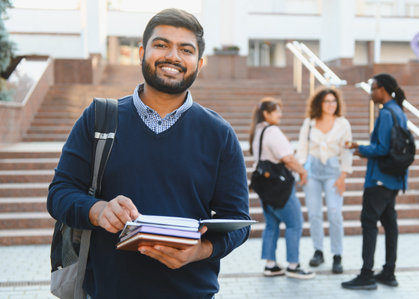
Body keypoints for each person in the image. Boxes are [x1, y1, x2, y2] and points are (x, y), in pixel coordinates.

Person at [47, 8, 250, 299]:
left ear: (199, 63)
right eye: (161, 45)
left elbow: (237, 220)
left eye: (186, 49)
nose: (173, 57)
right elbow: (59, 194)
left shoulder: (219, 133)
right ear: (142, 52)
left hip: (191, 292)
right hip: (107, 292)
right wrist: (99, 210)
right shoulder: (99, 118)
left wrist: (199, 251)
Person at [341, 73, 408, 290]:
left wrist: (358, 148)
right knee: (390, 223)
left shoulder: (387, 113)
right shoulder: (398, 111)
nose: (371, 93)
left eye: (373, 88)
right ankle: (389, 272)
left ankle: (367, 274)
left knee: (369, 223)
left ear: (383, 90)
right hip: (393, 179)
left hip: (379, 178)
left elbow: (381, 148)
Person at [249, 97, 315, 280]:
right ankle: (293, 265)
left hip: (265, 187)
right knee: (295, 223)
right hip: (280, 188)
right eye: (276, 111)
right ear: (266, 113)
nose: (280, 114)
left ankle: (270, 265)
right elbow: (288, 158)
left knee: (272, 225)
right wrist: (303, 172)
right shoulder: (272, 132)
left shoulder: (258, 131)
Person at [296, 87, 352, 274]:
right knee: (314, 213)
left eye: (333, 101)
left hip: (333, 171)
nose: (331, 105)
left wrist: (343, 176)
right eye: (327, 101)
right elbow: (302, 148)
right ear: (320, 103)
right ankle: (318, 251)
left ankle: (337, 255)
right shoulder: (309, 123)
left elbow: (346, 151)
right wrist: (302, 170)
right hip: (312, 170)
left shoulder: (343, 124)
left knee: (335, 213)